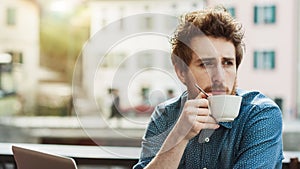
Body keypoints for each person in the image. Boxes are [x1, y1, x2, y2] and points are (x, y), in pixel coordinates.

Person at [133, 6, 283, 169]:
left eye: (227, 63)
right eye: (206, 64)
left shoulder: (260, 115)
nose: (219, 76)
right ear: (181, 71)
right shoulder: (165, 116)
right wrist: (179, 137)